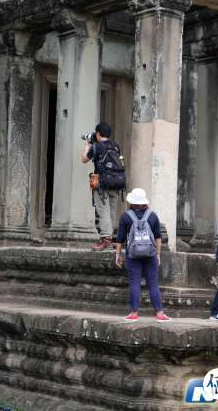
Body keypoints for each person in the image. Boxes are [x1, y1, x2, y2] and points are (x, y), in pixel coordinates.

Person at [115, 188, 171, 323]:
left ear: (132, 202)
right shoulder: (152, 216)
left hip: (132, 255)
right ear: (144, 202)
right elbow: (158, 237)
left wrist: (117, 254)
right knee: (153, 283)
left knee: (135, 283)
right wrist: (158, 254)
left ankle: (133, 313)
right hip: (150, 255)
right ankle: (160, 314)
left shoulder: (125, 216)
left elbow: (120, 238)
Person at [81, 122, 126, 251]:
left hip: (102, 184)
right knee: (111, 212)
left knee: (103, 212)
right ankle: (110, 238)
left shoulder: (96, 146)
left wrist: (87, 146)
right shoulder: (115, 146)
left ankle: (105, 239)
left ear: (98, 134)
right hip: (117, 183)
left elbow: (84, 159)